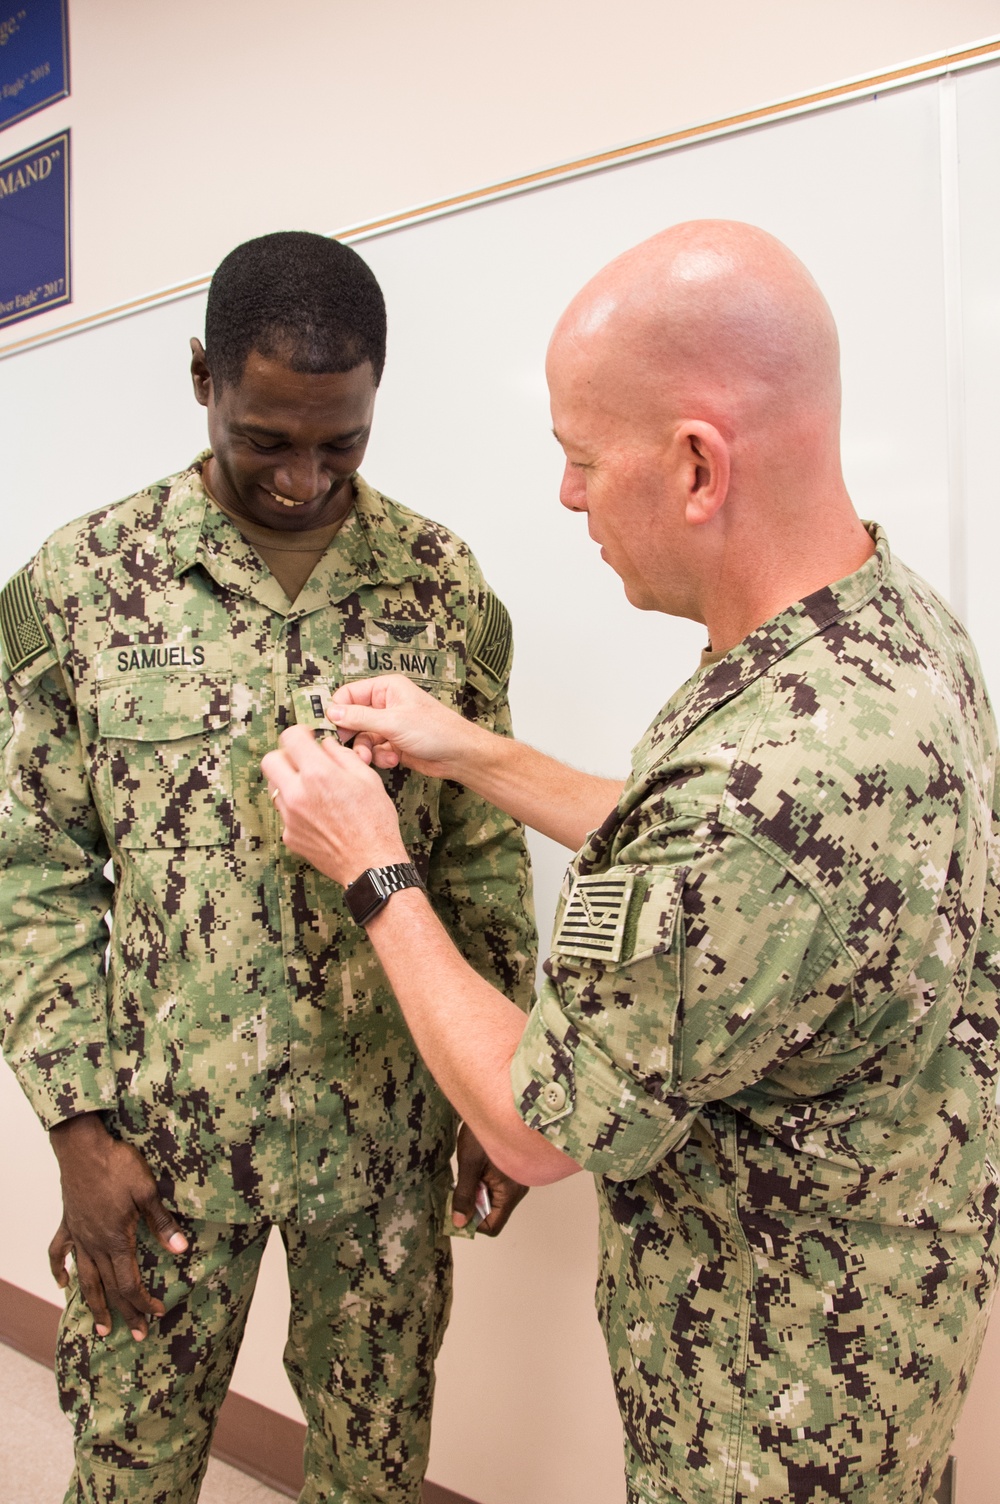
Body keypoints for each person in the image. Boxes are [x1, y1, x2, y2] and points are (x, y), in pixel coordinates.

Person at [263, 220, 1000, 1504]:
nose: (565, 495)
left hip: (768, 1416)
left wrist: (371, 863)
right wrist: (474, 752)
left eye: (580, 458)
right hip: (880, 1349)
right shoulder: (882, 635)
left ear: (698, 467)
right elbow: (718, 882)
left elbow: (536, 1120)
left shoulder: (757, 783)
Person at [0, 230, 536, 1504]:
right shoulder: (85, 584)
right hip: (161, 1139)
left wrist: (499, 1085)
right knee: (128, 1467)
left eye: (340, 443)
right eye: (269, 439)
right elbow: (32, 868)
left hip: (388, 1135)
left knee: (375, 1466)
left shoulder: (439, 582)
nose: (304, 478)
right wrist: (75, 1123)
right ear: (202, 380)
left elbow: (479, 844)